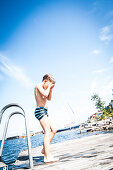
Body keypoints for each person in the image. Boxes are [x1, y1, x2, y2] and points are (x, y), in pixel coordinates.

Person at [34, 74, 58, 163]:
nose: (49, 87)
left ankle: (44, 149)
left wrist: (50, 88)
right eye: (49, 84)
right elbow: (45, 94)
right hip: (40, 110)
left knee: (54, 129)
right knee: (47, 131)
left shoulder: (46, 88)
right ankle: (47, 157)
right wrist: (48, 88)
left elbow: (49, 98)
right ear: (45, 81)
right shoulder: (38, 86)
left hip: (45, 111)